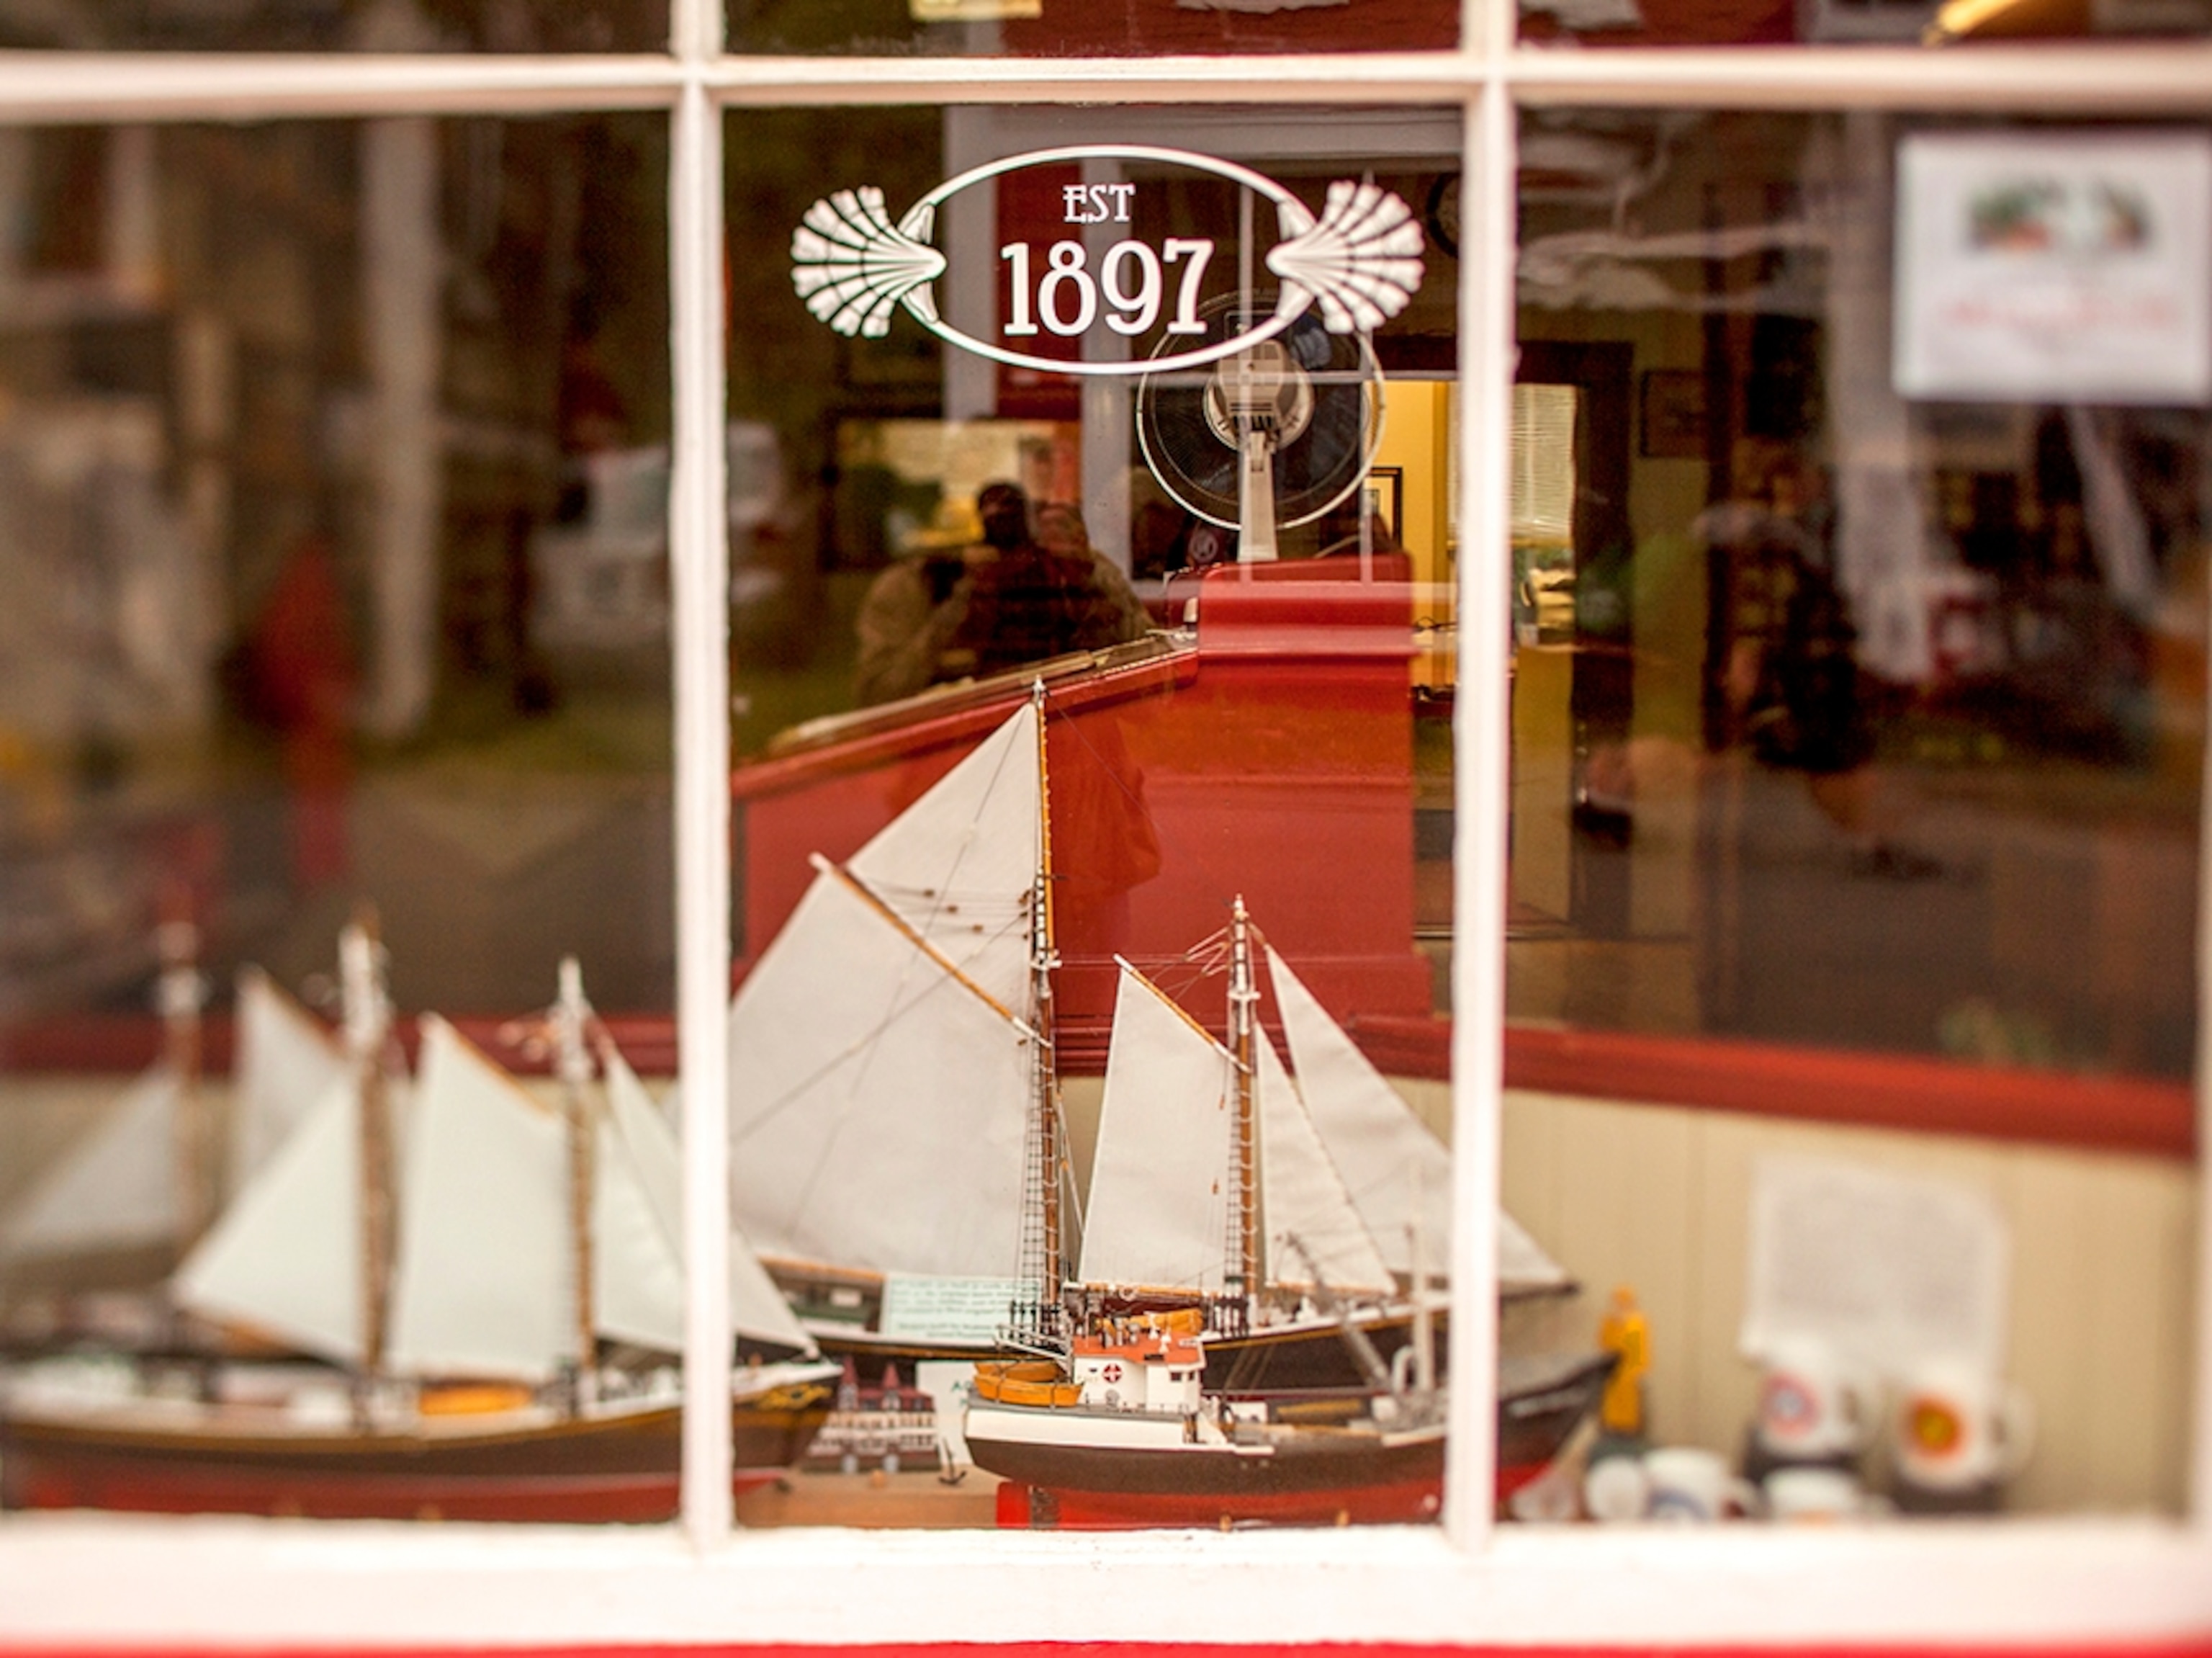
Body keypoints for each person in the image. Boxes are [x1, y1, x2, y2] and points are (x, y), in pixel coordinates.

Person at [853, 483, 1148, 706]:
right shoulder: (922, 584)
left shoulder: (1073, 571)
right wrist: (962, 600)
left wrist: (1087, 580)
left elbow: (1150, 663)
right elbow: (879, 694)